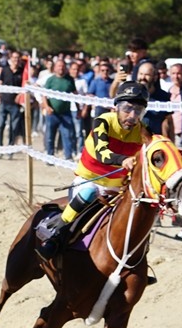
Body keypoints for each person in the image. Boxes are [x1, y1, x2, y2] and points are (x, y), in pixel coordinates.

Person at [37, 82, 148, 259]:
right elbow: (102, 152)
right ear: (116, 107)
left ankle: (138, 255)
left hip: (118, 188)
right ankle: (54, 235)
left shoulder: (143, 131)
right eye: (127, 109)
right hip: (90, 181)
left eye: (138, 111)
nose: (132, 116)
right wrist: (123, 160)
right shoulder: (102, 121)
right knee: (88, 193)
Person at [41, 56, 77, 160]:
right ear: (55, 67)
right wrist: (47, 107)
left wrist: (79, 109)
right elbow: (44, 95)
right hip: (52, 113)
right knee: (50, 136)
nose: (61, 68)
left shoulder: (69, 80)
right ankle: (50, 157)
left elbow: (75, 94)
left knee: (67, 135)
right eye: (59, 66)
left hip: (66, 113)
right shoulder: (50, 80)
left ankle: (68, 156)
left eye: (62, 66)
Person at [0, 50, 26, 147]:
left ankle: (10, 146)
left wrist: (20, 95)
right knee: (0, 125)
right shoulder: (5, 70)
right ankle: (0, 145)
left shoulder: (23, 71)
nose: (16, 59)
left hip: (15, 104)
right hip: (4, 102)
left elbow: (24, 86)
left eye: (17, 58)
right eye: (14, 57)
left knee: (14, 127)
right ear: (11, 58)